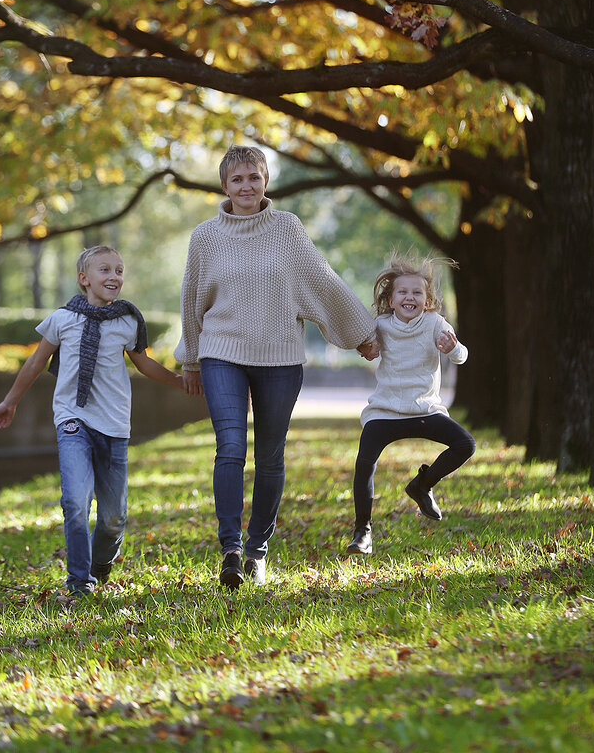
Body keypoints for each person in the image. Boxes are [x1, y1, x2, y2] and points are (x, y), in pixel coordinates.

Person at [176, 145, 378, 589]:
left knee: (270, 457)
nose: (246, 186)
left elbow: (321, 281)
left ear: (266, 181)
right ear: (224, 186)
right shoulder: (205, 236)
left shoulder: (287, 229)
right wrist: (190, 358)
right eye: (237, 179)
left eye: (254, 177)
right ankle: (230, 550)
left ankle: (257, 552)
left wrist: (360, 332)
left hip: (280, 357)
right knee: (230, 447)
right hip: (221, 353)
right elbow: (191, 300)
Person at [0, 245, 183, 596]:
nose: (114, 276)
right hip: (73, 419)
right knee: (75, 503)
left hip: (114, 425)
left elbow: (144, 363)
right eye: (105, 270)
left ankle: (99, 564)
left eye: (119, 270)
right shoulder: (62, 319)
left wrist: (180, 381)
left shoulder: (127, 321)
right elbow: (36, 363)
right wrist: (10, 401)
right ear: (84, 279)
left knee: (113, 519)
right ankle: (79, 581)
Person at [346, 252, 476, 556]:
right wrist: (366, 348)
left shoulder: (435, 323)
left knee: (466, 444)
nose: (410, 297)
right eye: (402, 292)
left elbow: (462, 356)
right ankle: (363, 531)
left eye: (417, 293)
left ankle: (422, 485)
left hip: (424, 410)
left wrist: (453, 348)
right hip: (385, 412)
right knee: (364, 463)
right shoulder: (381, 325)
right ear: (391, 300)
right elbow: (365, 346)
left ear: (427, 301)